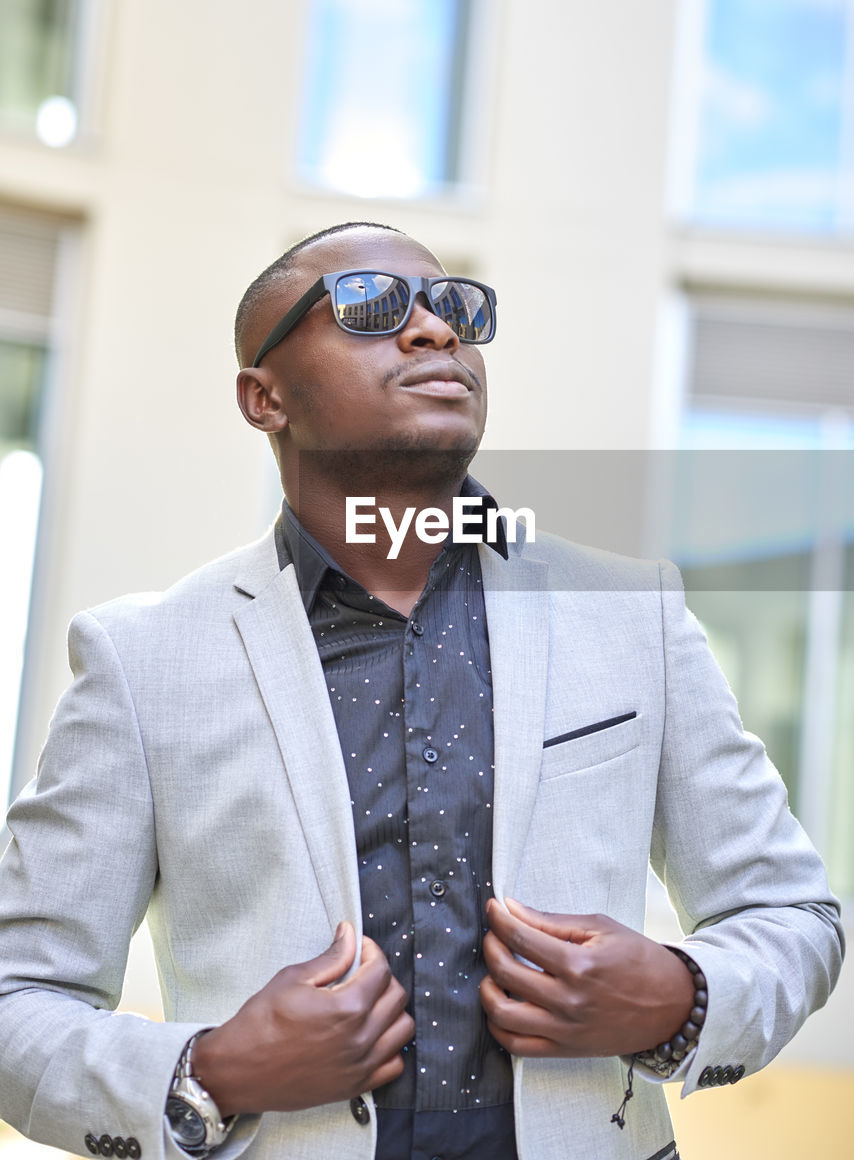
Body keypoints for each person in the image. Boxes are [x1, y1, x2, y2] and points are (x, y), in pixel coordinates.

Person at [0, 220, 843, 1160]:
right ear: (262, 395)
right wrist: (214, 1069)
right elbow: (19, 997)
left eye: (455, 310)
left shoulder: (629, 612)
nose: (438, 332)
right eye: (371, 306)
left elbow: (792, 916)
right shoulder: (142, 661)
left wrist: (680, 999)